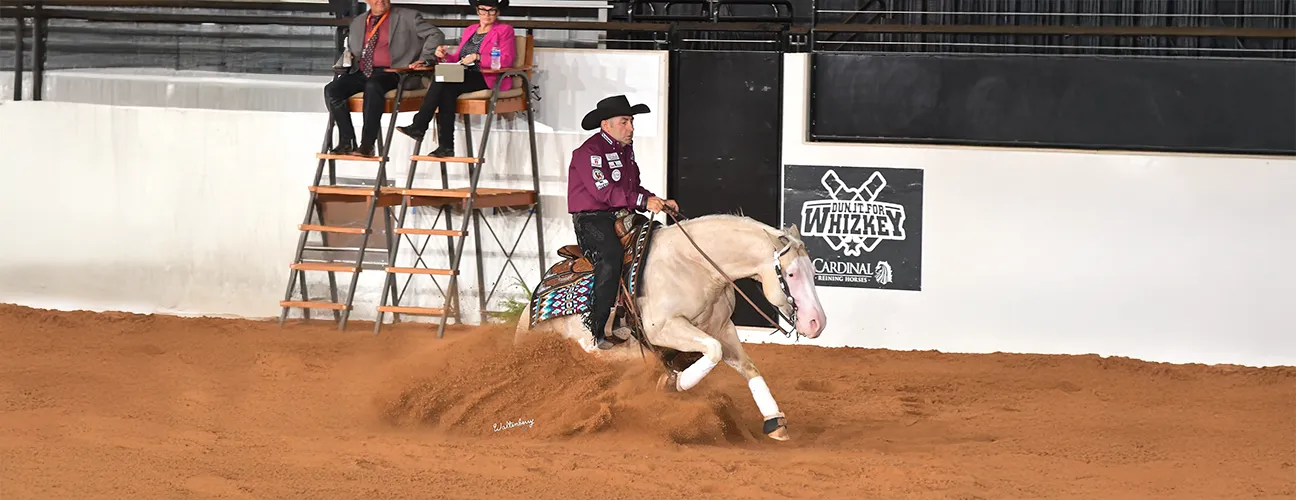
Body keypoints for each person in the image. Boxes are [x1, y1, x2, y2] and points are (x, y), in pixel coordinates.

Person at [567, 95, 679, 350]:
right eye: (624, 122)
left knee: (659, 239)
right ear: (606, 125)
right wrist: (643, 201)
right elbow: (603, 192)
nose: (631, 128)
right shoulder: (589, 152)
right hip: (592, 219)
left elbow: (631, 187)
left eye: (631, 122)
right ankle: (597, 328)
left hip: (620, 214)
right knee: (611, 256)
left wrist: (655, 199)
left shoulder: (624, 150)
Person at [325, 0, 445, 157]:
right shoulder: (358, 21)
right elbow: (354, 50)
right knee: (332, 90)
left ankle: (367, 144)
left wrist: (425, 58)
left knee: (373, 86)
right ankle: (347, 141)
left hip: (395, 72)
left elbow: (436, 34)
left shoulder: (408, 16)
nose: (380, 0)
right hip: (362, 71)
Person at [396, 0, 515, 158]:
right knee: (446, 90)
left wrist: (479, 57)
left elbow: (507, 59)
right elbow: (458, 58)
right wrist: (444, 56)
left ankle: (419, 125)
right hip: (463, 74)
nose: (487, 14)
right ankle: (446, 146)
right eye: (483, 10)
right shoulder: (470, 30)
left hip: (486, 76)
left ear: (498, 13)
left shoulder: (505, 30)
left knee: (443, 80)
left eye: (491, 11)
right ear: (477, 11)